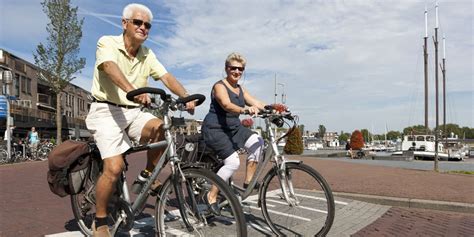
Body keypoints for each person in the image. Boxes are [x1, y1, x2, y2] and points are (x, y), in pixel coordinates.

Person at [85, 3, 195, 237]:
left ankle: (147, 176)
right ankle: (100, 220)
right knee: (113, 168)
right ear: (124, 23)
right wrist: (133, 89)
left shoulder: (147, 54)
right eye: (138, 22)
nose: (143, 27)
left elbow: (165, 76)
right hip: (106, 110)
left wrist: (185, 96)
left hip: (133, 112)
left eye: (147, 25)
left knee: (162, 129)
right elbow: (109, 67)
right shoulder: (107, 43)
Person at [201, 52, 269, 214]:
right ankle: (211, 196)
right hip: (215, 129)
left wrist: (275, 109)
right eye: (233, 68)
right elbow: (226, 104)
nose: (237, 72)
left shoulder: (240, 89)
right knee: (233, 163)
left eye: (241, 69)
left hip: (234, 128)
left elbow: (257, 103)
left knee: (258, 142)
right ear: (226, 68)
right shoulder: (219, 86)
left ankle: (248, 181)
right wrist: (245, 109)